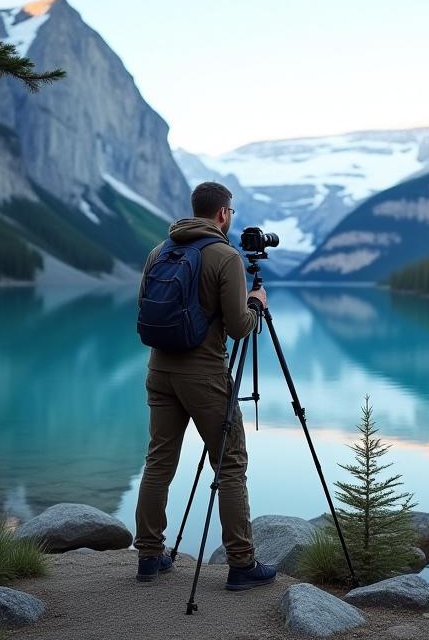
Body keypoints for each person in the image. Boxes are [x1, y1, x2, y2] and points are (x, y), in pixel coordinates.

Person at [132, 181, 276, 591]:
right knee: (229, 465)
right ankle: (241, 564)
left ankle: (148, 556)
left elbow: (145, 308)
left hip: (159, 372)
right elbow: (238, 327)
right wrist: (257, 302)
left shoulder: (159, 252)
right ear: (223, 214)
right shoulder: (224, 256)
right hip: (206, 376)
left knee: (158, 461)